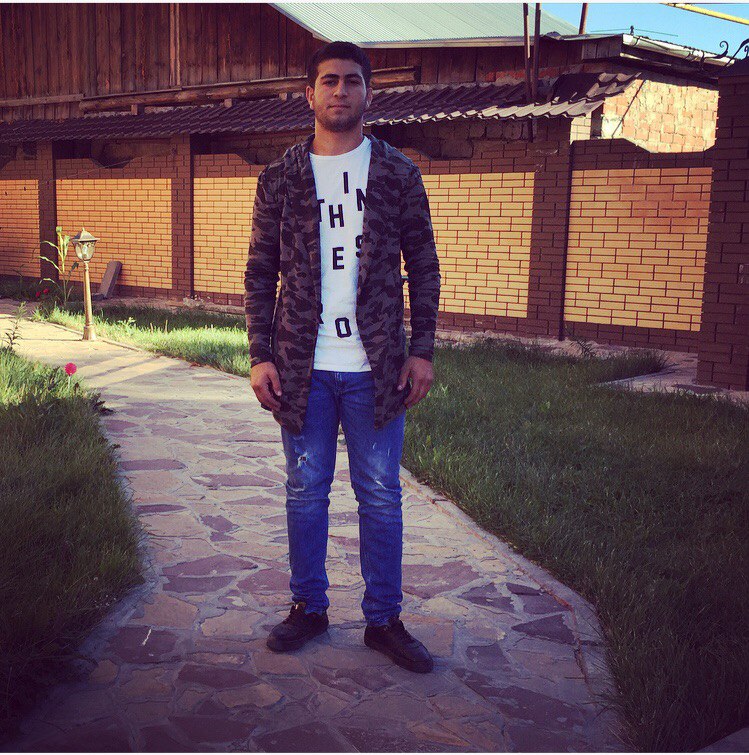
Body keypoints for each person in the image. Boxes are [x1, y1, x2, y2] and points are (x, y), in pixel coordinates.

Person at [244, 40, 441, 674]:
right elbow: (260, 272)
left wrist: (422, 350)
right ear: (309, 93)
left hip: (375, 369)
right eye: (328, 81)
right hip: (301, 368)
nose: (340, 91)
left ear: (368, 93)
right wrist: (259, 353)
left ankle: (384, 620)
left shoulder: (397, 173)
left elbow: (424, 266)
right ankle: (309, 607)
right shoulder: (281, 177)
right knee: (305, 491)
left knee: (380, 494)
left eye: (352, 81)